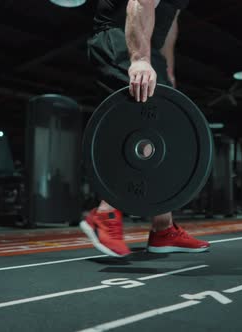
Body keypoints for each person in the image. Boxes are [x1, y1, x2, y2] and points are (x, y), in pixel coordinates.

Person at [80, 0, 210, 257]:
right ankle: (105, 213)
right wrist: (140, 60)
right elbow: (139, 2)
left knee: (167, 133)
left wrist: (166, 67)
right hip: (118, 36)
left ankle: (163, 230)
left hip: (148, 44)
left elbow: (170, 21)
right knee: (142, 131)